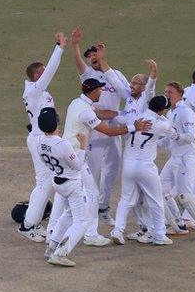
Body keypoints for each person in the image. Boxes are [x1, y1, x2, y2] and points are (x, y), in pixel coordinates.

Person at [44, 78, 151, 253]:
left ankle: (53, 232)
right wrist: (134, 126)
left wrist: (121, 114)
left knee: (63, 197)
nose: (102, 92)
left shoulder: (77, 102)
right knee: (91, 192)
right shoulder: (86, 112)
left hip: (65, 154)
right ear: (93, 91)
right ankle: (90, 234)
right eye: (100, 89)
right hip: (75, 156)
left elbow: (100, 113)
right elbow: (108, 131)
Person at [72, 30, 129, 225]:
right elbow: (78, 62)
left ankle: (103, 208)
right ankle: (88, 210)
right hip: (95, 128)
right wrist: (75, 45)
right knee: (93, 169)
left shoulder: (116, 74)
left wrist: (119, 116)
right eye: (90, 56)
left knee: (114, 166)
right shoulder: (87, 75)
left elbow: (127, 95)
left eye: (95, 54)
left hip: (114, 126)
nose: (92, 58)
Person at [16, 32, 66, 243]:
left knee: (46, 182)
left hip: (43, 138)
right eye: (42, 72)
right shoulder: (34, 91)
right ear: (37, 76)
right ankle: (28, 225)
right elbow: (51, 70)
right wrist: (59, 47)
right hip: (39, 140)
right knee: (44, 182)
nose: (46, 74)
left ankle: (32, 223)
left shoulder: (39, 92)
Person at [109, 96, 175, 246]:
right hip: (146, 166)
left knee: (126, 199)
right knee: (156, 201)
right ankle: (159, 235)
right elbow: (170, 127)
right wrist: (160, 115)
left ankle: (118, 230)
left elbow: (120, 119)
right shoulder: (160, 124)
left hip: (128, 165)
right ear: (160, 110)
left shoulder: (134, 117)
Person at [159, 83, 195, 240]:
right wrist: (153, 142)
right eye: (165, 92)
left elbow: (190, 137)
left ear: (180, 93)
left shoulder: (186, 111)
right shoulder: (171, 113)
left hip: (187, 157)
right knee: (160, 191)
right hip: (175, 158)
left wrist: (176, 136)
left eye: (170, 92)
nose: (167, 95)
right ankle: (177, 225)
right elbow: (168, 138)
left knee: (185, 195)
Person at [35, 109, 88, 267]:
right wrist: (83, 145)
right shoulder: (62, 144)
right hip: (72, 184)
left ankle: (51, 248)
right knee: (82, 222)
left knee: (69, 214)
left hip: (58, 182)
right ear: (56, 123)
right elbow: (78, 165)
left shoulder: (39, 142)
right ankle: (60, 253)